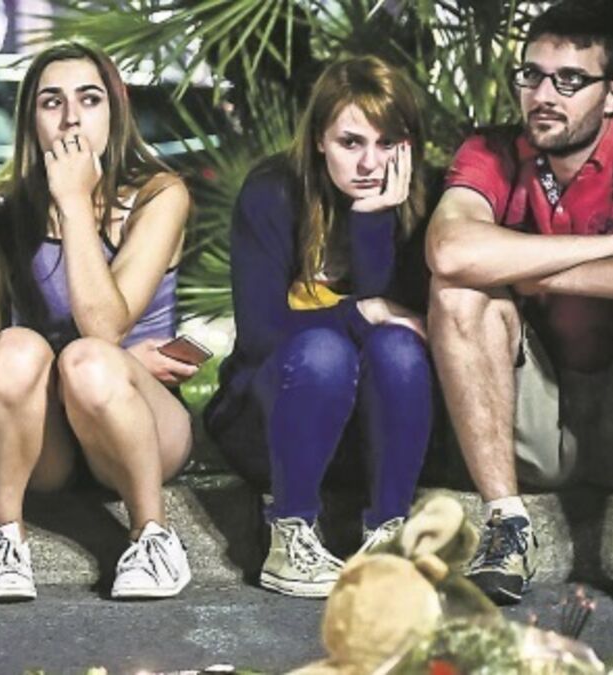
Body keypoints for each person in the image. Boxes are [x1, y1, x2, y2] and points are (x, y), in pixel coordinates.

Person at [426, 0, 613, 605]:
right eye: (533, 74)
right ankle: (507, 527)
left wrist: (546, 277)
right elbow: (450, 249)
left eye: (570, 80)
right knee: (459, 293)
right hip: (530, 422)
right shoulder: (492, 152)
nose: (544, 95)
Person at [0, 41, 195, 601]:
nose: (71, 118)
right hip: (47, 439)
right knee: (15, 349)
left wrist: (73, 203)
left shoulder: (159, 196)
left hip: (138, 423)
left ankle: (153, 537)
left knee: (90, 361)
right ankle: (5, 541)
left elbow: (104, 329)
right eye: (52, 102)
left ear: (114, 112)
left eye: (89, 99)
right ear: (30, 120)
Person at [203, 55, 433, 598]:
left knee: (399, 347)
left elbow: (408, 327)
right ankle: (290, 534)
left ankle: (388, 533)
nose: (370, 163)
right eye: (351, 142)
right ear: (318, 142)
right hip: (274, 420)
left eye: (387, 143)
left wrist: (373, 217)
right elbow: (260, 334)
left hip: (376, 432)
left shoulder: (425, 200)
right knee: (325, 350)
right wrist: (359, 312)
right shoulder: (272, 192)